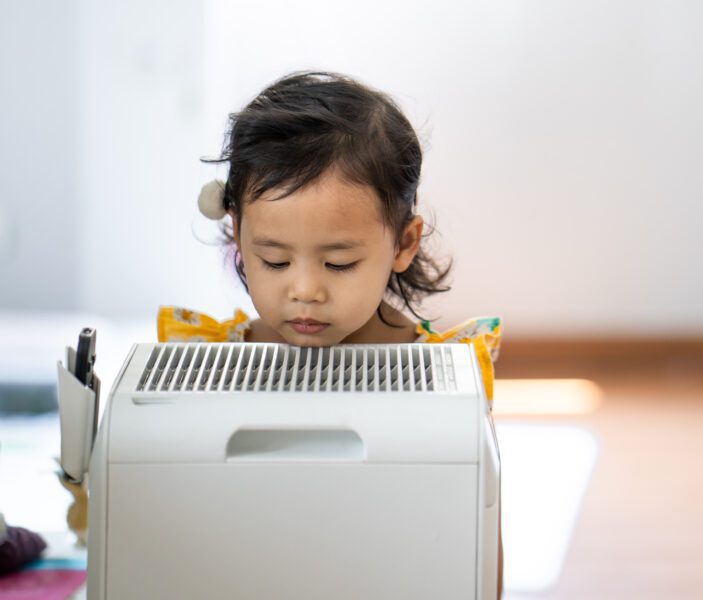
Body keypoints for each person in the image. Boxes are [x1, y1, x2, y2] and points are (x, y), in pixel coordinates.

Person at [76, 71, 504, 596]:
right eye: (274, 260)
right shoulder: (207, 357)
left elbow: (477, 526)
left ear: (404, 243)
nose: (305, 290)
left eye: (339, 263)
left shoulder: (447, 377)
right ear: (237, 234)